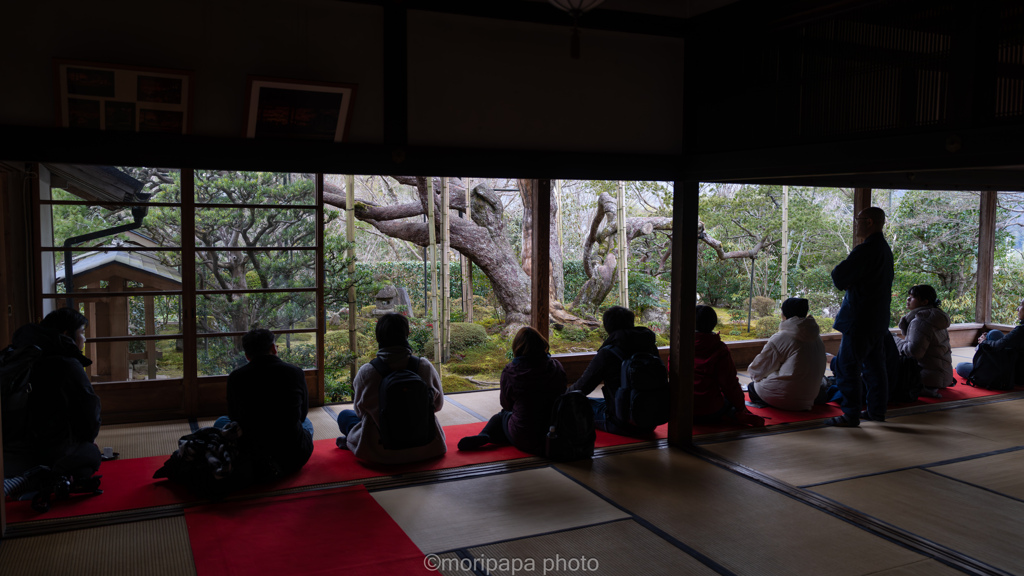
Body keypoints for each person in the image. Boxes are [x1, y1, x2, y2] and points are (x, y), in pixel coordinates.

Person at [3, 308, 102, 487]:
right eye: (82, 332)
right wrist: (88, 440)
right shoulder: (66, 363)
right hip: (46, 451)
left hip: (7, 451)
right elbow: (89, 416)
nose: (84, 339)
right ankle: (34, 478)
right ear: (66, 333)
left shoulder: (15, 354)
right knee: (91, 454)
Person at [336, 313, 446, 464]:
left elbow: (360, 412)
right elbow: (438, 405)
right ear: (406, 334)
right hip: (429, 446)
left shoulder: (367, 371)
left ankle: (351, 441)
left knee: (345, 416)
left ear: (378, 337)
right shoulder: (424, 365)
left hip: (380, 450)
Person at [217, 328, 314, 484]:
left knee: (221, 422)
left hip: (251, 458)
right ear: (274, 348)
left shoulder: (236, 377)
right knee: (307, 423)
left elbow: (234, 417)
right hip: (294, 456)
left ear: (247, 356)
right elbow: (302, 415)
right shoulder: (295, 372)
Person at [826, 206, 894, 427]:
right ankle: (876, 411)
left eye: (859, 219)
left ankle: (850, 414)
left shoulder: (867, 249)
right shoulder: (884, 249)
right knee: (875, 367)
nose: (855, 223)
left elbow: (839, 276)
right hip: (877, 318)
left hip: (860, 319)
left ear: (870, 222)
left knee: (848, 367)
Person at [458, 327, 566, 454]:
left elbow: (506, 404)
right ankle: (494, 436)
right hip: (555, 433)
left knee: (502, 416)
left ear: (517, 347)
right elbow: (562, 393)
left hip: (524, 437)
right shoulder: (556, 367)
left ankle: (486, 434)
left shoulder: (511, 371)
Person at [568, 306, 659, 437]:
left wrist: (560, 397)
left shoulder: (609, 352)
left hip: (622, 422)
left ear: (607, 326)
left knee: (575, 403)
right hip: (652, 419)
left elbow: (583, 387)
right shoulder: (649, 346)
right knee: (597, 400)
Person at [746, 298, 828, 411]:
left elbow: (757, 370)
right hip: (810, 397)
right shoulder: (817, 337)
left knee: (752, 387)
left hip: (785, 396)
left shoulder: (782, 337)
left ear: (784, 314)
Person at [693, 305, 759, 424]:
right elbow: (729, 383)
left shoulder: (680, 346)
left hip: (680, 408)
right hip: (710, 408)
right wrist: (741, 407)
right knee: (727, 400)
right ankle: (734, 415)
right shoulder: (719, 348)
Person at [894, 284, 952, 397]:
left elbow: (913, 353)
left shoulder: (921, 321)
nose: (908, 299)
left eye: (913, 297)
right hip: (942, 375)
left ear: (924, 302)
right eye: (909, 296)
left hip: (928, 378)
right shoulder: (933, 317)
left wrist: (894, 340)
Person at [955, 298, 1024, 380]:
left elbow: (999, 345)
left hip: (1012, 373)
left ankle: (981, 354)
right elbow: (1005, 342)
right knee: (994, 333)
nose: (1017, 309)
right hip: (1013, 362)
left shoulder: (1021, 330)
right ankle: (982, 353)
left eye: (1021, 305)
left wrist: (984, 342)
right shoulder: (1020, 330)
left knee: (960, 367)